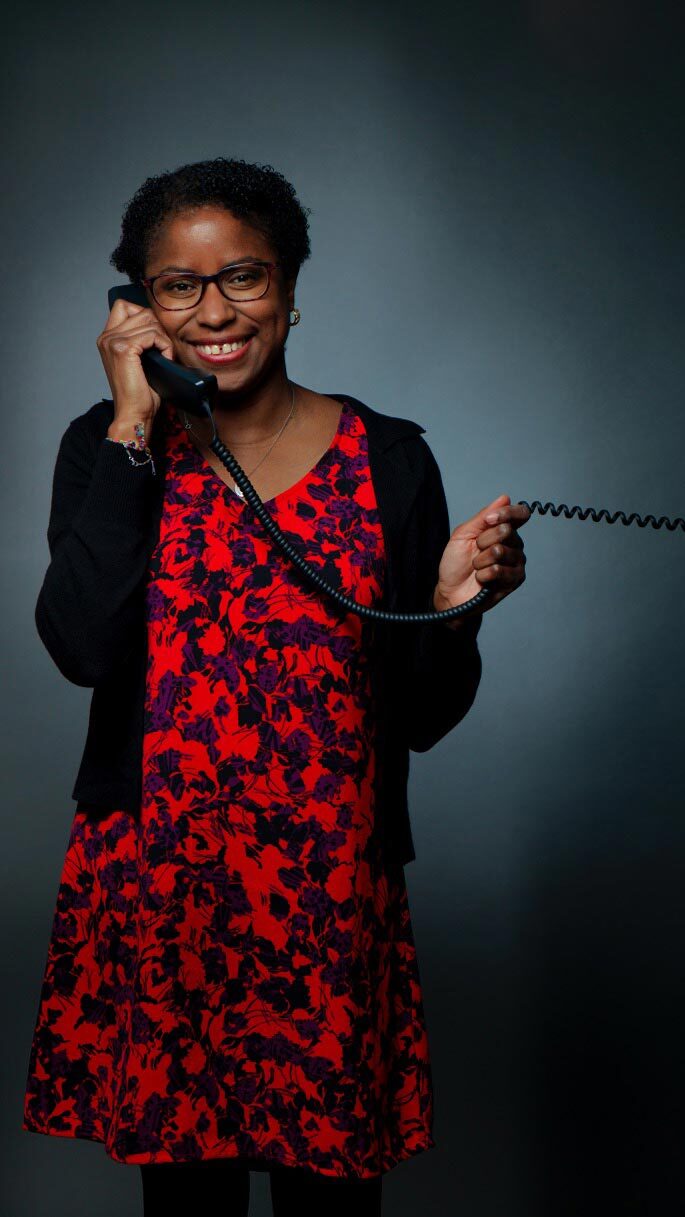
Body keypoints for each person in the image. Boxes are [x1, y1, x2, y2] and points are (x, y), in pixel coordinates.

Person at [22, 157, 529, 1216]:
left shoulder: (390, 459)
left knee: (330, 1197)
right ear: (138, 306)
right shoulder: (104, 448)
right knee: (187, 1201)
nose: (214, 312)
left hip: (325, 894)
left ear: (290, 287)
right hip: (164, 889)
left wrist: (449, 608)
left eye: (242, 276)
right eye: (178, 285)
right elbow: (81, 646)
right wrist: (132, 417)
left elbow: (422, 718)